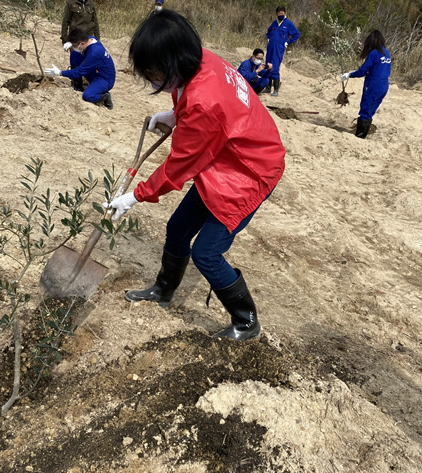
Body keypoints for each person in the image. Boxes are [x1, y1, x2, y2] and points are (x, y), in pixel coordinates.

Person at [105, 10, 286, 341]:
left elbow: (179, 166)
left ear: (174, 63)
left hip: (249, 171)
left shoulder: (203, 103)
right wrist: (175, 114)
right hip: (226, 156)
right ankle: (164, 289)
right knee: (177, 228)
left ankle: (246, 321)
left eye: (156, 73)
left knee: (207, 252)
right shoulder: (201, 60)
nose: (153, 81)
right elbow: (201, 109)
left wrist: (135, 196)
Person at [44, 28, 115, 110]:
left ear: (82, 44)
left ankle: (105, 97)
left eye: (75, 45)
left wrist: (60, 73)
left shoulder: (94, 53)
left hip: (104, 79)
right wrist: (71, 43)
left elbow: (78, 72)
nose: (74, 47)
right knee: (75, 53)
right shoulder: (92, 40)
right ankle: (77, 86)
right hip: (96, 70)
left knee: (87, 96)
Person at [341, 30, 391, 139]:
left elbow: (362, 71)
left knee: (365, 109)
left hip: (373, 85)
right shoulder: (386, 53)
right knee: (371, 110)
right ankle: (363, 134)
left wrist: (349, 75)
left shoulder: (373, 53)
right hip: (384, 85)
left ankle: (360, 136)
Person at [60, 0, 101, 92]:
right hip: (75, 37)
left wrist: (97, 39)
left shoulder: (90, 3)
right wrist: (64, 39)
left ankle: (89, 83)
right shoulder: (70, 3)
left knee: (89, 60)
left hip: (88, 37)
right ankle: (77, 84)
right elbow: (65, 21)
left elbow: (95, 22)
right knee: (75, 59)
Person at [265, 6, 300, 97]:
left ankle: (276, 90)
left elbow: (297, 34)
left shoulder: (288, 23)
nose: (280, 15)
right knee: (267, 65)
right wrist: (269, 38)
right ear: (276, 14)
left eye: (282, 13)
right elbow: (268, 32)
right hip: (270, 47)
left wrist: (288, 42)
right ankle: (268, 87)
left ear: (284, 13)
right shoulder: (274, 23)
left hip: (279, 48)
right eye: (279, 13)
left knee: (275, 66)